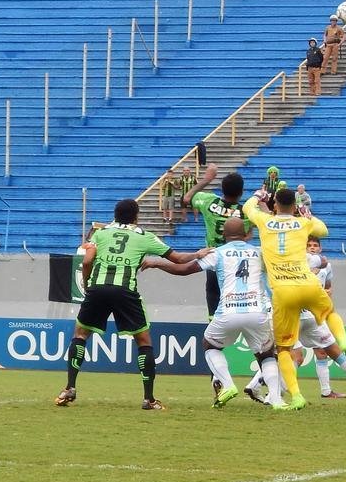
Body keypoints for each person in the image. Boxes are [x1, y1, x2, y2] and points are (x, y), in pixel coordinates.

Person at [55, 199, 208, 410]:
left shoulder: (100, 233)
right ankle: (149, 399)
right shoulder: (145, 237)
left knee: (80, 335)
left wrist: (89, 282)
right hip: (125, 291)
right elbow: (179, 259)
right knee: (143, 341)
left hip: (97, 289)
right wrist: (198, 254)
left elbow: (87, 261)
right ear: (137, 216)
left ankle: (69, 388)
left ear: (115, 215)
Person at [142, 217, 284, 409]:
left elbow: (183, 269)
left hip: (228, 311)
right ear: (247, 234)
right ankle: (275, 398)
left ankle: (227, 385)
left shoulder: (217, 253)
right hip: (257, 311)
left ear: (223, 235)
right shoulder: (259, 252)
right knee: (266, 355)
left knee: (210, 345)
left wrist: (158, 263)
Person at [242, 187, 334, 410]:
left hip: (277, 298)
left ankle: (262, 388)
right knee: (285, 353)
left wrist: (257, 196)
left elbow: (247, 209)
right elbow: (323, 231)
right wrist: (305, 213)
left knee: (287, 353)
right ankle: (269, 393)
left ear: (274, 205)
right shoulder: (301, 226)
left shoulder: (265, 225)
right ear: (294, 205)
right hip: (286, 301)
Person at [182, 162, 247, 316]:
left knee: (213, 294)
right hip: (234, 260)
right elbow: (250, 232)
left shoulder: (209, 201)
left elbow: (186, 198)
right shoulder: (246, 211)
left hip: (212, 257)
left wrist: (206, 180)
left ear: (222, 189)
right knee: (235, 293)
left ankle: (213, 325)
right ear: (242, 192)